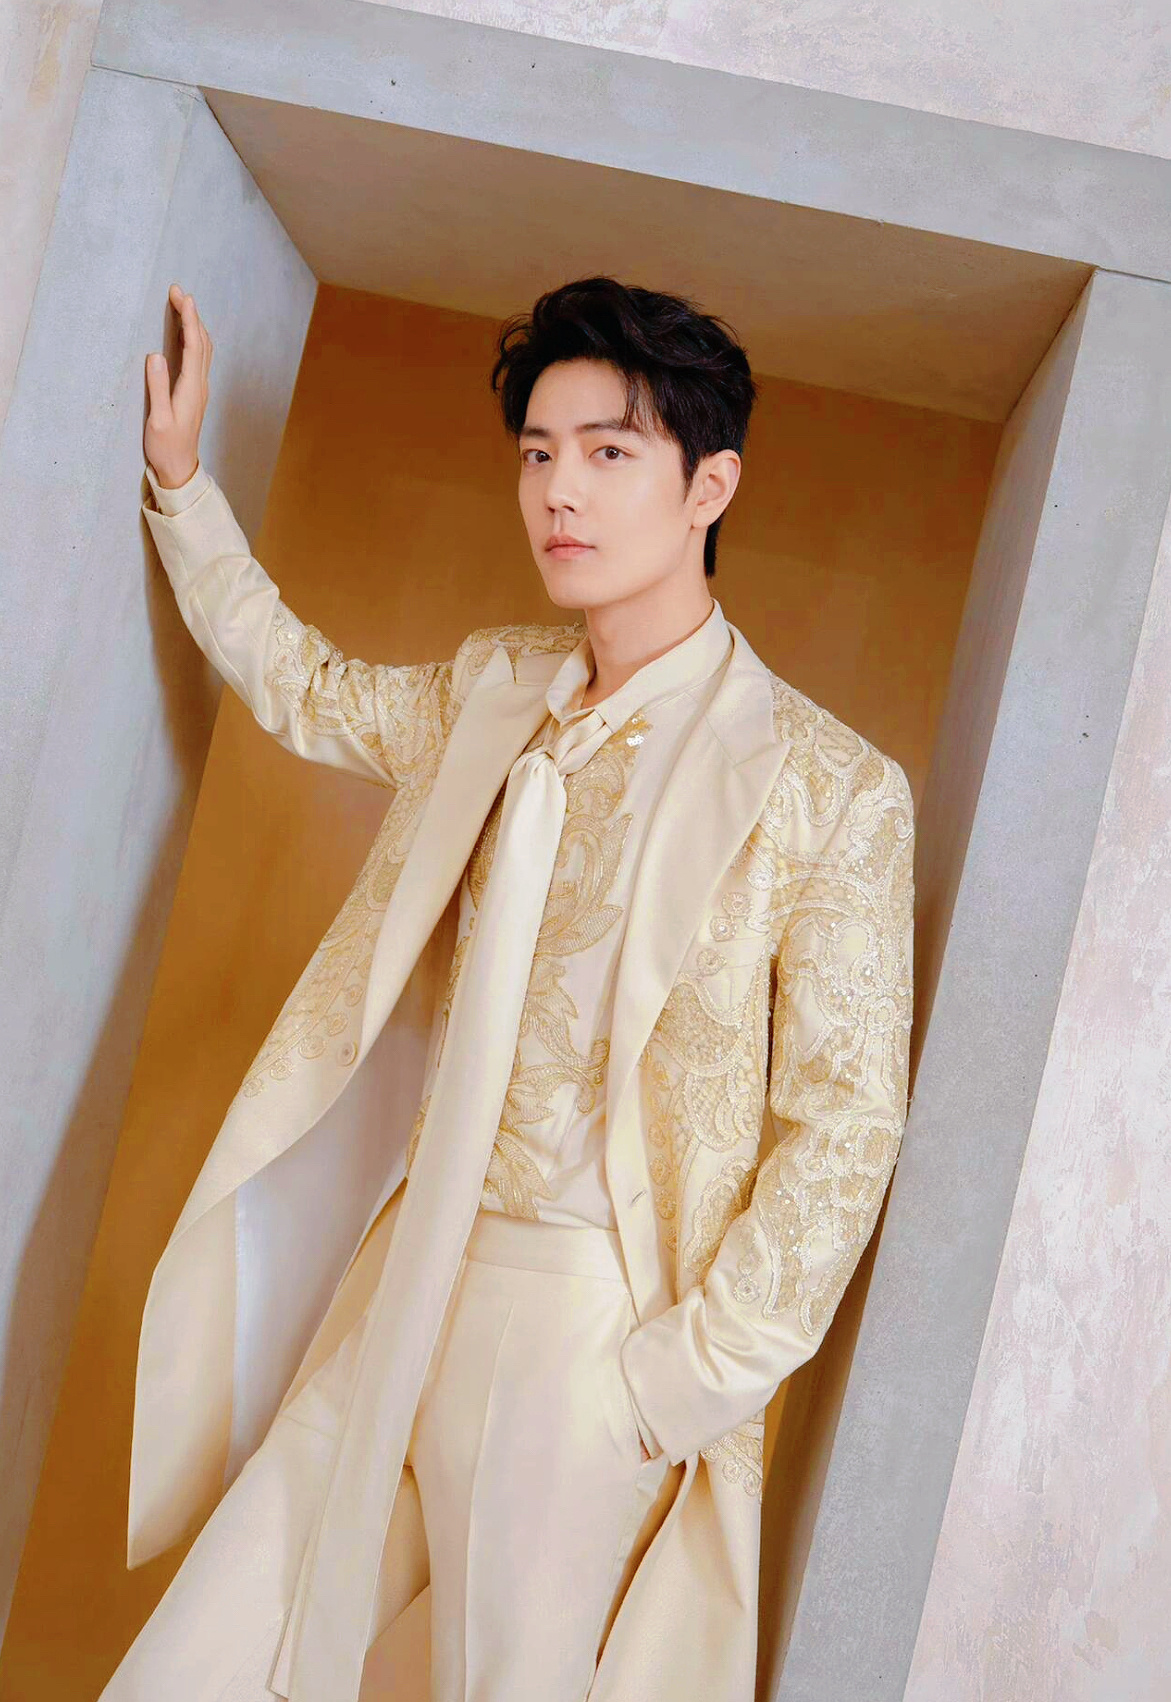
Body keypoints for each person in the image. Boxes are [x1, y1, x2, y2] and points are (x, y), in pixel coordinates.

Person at [101, 275, 915, 1702]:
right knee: (204, 1661)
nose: (559, 492)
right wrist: (183, 488)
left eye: (608, 451)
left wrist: (666, 1392)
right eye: (538, 453)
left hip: (592, 1332)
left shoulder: (827, 785)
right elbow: (308, 688)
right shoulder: (498, 687)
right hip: (417, 1270)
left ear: (710, 484)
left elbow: (845, 1126)